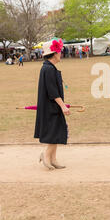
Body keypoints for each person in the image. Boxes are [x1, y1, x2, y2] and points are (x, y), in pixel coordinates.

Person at [34, 39, 69, 170]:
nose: (61, 54)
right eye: (59, 51)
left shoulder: (49, 68)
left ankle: (53, 159)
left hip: (52, 106)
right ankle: (46, 155)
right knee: (55, 132)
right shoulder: (48, 69)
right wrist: (63, 106)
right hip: (51, 107)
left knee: (57, 131)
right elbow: (52, 92)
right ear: (54, 53)